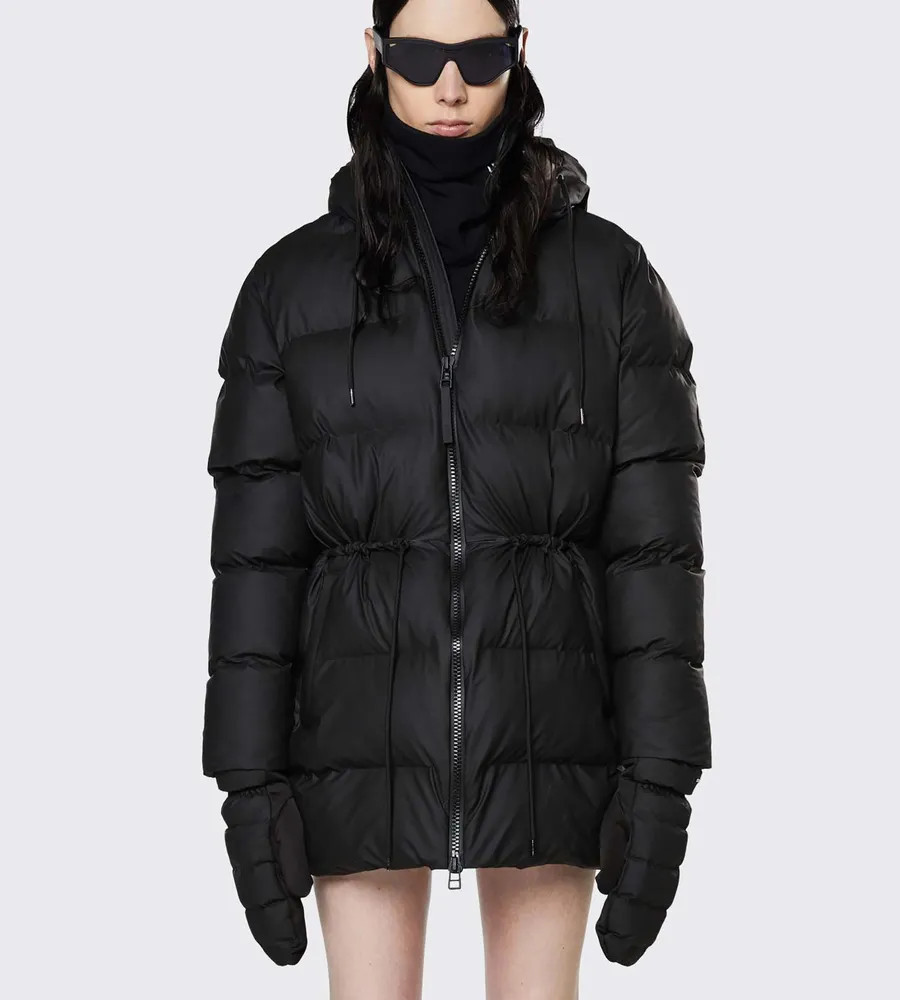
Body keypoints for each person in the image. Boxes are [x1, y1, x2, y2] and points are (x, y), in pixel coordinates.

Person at [201, 0, 712, 996]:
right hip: (355, 747)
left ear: (519, 52)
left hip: (551, 743)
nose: (448, 85)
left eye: (477, 56)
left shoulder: (609, 280)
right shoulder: (291, 290)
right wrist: (248, 787)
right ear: (374, 54)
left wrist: (661, 782)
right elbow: (256, 565)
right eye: (420, 55)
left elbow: (654, 559)